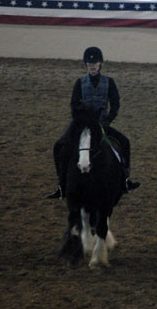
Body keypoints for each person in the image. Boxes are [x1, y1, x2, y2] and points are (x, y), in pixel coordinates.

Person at [46, 47, 139, 199]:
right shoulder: (79, 83)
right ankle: (61, 184)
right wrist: (81, 120)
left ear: (100, 64)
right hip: (82, 125)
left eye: (94, 63)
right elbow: (74, 105)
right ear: (86, 65)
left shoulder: (109, 82)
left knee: (125, 142)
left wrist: (108, 120)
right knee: (59, 147)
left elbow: (115, 104)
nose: (92, 66)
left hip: (101, 125)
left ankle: (125, 180)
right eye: (89, 63)